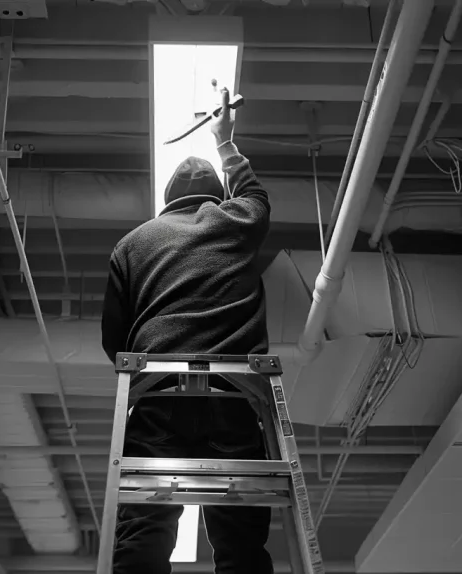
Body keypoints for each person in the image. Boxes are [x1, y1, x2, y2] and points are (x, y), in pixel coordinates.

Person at [101, 86, 273, 574]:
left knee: (144, 532)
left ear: (167, 200)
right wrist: (226, 142)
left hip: (158, 395)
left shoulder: (132, 243)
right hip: (235, 395)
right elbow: (256, 195)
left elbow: (113, 341)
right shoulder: (234, 219)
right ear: (216, 198)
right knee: (240, 542)